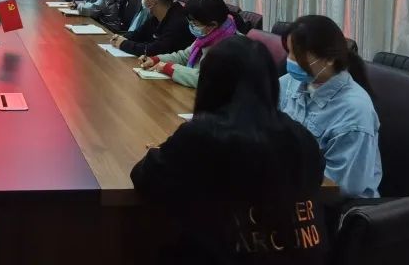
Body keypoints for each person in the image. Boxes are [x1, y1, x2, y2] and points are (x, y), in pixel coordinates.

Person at [131, 37, 327, 264]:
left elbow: (144, 178)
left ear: (210, 83)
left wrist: (166, 149)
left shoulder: (202, 135)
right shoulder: (301, 136)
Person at [279, 15, 382, 199]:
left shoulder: (354, 112)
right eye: (289, 52)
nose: (290, 61)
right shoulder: (291, 83)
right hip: (295, 186)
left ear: (329, 59)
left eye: (297, 55)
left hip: (336, 204)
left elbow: (341, 186)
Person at [138, 0, 242, 88]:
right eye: (190, 22)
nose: (191, 26)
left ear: (213, 24)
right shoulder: (208, 36)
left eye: (195, 24)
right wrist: (156, 59)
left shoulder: (231, 47)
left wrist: (170, 68)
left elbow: (206, 79)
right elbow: (184, 56)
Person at [109, 0, 193, 56]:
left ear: (151, 1)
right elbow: (139, 34)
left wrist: (123, 43)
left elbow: (154, 50)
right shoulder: (157, 16)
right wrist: (121, 38)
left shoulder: (178, 22)